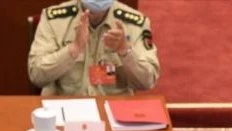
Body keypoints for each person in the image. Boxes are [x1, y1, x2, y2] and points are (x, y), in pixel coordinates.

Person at [28, 0, 159, 96]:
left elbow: (147, 81)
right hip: (65, 109)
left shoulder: (134, 23)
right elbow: (37, 75)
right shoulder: (53, 20)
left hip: (114, 112)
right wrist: (73, 49)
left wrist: (126, 51)